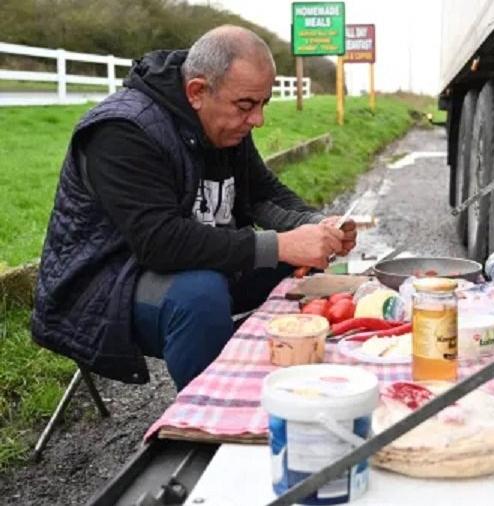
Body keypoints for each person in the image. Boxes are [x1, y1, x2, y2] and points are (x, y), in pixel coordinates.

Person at [31, 25, 356, 390]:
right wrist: (281, 244)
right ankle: (213, 418)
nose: (258, 120)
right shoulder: (122, 131)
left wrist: (316, 227)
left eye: (263, 104)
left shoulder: (226, 123)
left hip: (193, 263)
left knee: (297, 257)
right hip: (106, 284)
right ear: (197, 91)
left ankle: (286, 372)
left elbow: (262, 194)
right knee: (200, 294)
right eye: (247, 105)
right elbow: (160, 242)